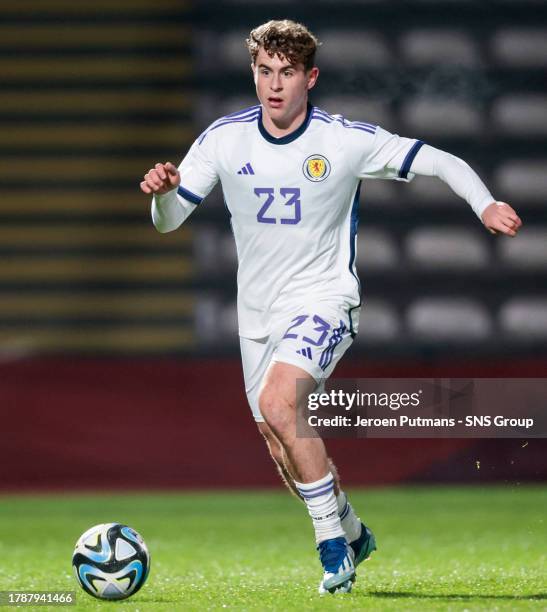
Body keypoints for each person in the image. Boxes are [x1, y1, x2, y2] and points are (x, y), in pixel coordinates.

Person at [140, 20, 522, 595]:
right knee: (281, 439)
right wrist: (164, 194)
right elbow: (169, 222)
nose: (274, 85)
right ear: (253, 73)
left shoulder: (343, 140)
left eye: (287, 73)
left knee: (280, 401)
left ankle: (331, 550)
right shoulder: (224, 139)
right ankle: (353, 530)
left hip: (324, 299)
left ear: (309, 77)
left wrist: (485, 202)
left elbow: (439, 159)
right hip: (257, 316)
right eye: (264, 71)